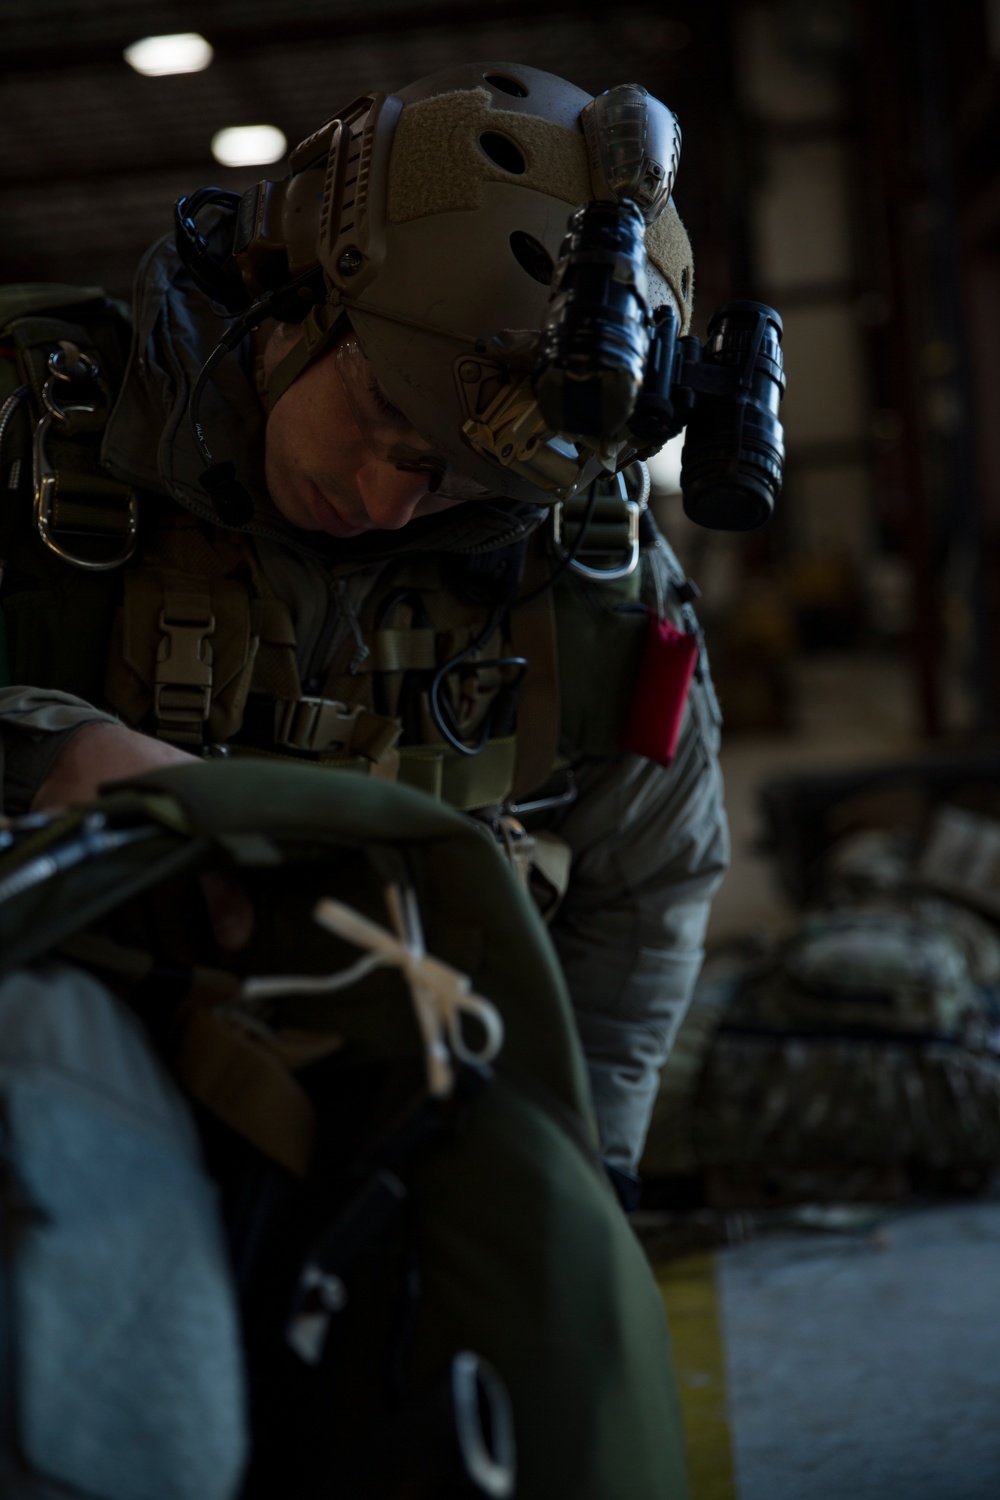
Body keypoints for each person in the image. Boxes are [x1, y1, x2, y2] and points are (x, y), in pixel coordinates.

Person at [0, 61, 729, 1198]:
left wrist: (581, 1172)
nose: (388, 502)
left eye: (452, 481)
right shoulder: (28, 438)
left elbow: (648, 884)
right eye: (385, 412)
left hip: (397, 1149)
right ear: (296, 285)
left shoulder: (590, 583)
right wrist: (45, 752)